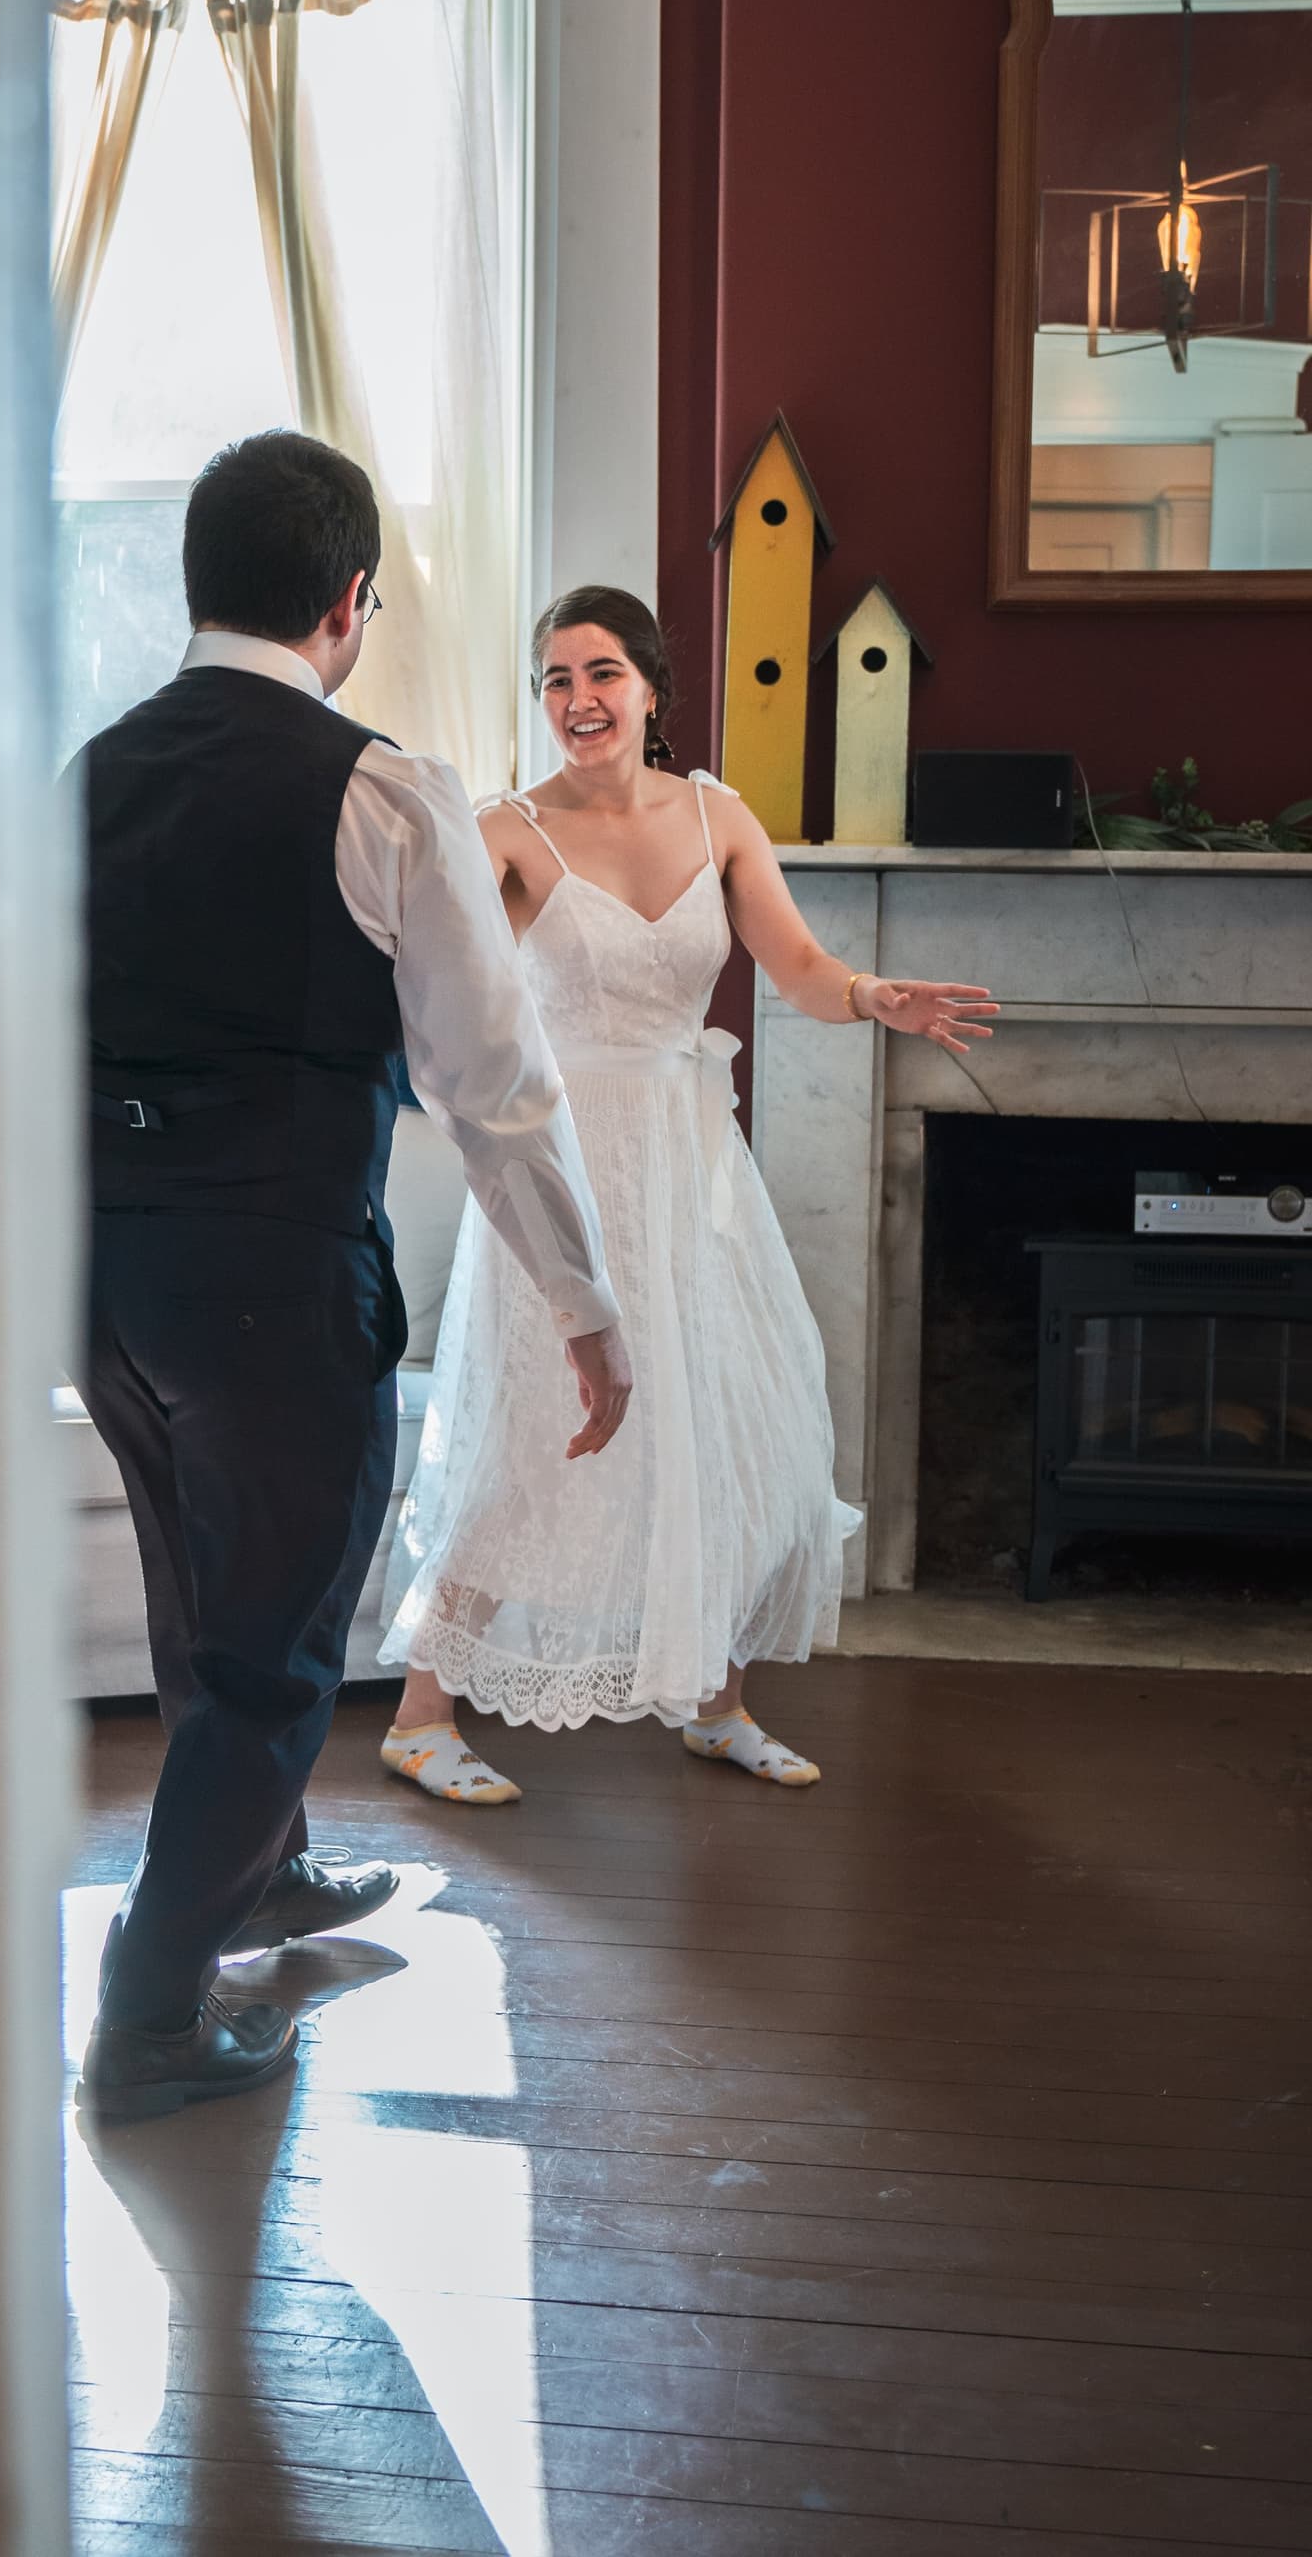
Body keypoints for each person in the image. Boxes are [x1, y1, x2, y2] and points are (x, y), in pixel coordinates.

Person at [75, 439, 633, 2121]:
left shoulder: (82, 774)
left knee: (201, 1601)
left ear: (195, 587)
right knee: (274, 1647)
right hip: (267, 1280)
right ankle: (153, 2013)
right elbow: (492, 1081)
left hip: (95, 1268)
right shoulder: (385, 790)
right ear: (347, 605)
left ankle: (261, 1871)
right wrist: (586, 1305)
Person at [377, 586, 1000, 1798]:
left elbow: (803, 968)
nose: (576, 700)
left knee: (709, 1415)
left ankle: (711, 1698)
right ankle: (418, 1714)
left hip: (692, 1166)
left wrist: (877, 997)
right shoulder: (504, 829)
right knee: (525, 1436)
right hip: (563, 1170)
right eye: (553, 679)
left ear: (651, 686)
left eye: (600, 672)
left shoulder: (716, 812)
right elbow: (427, 976)